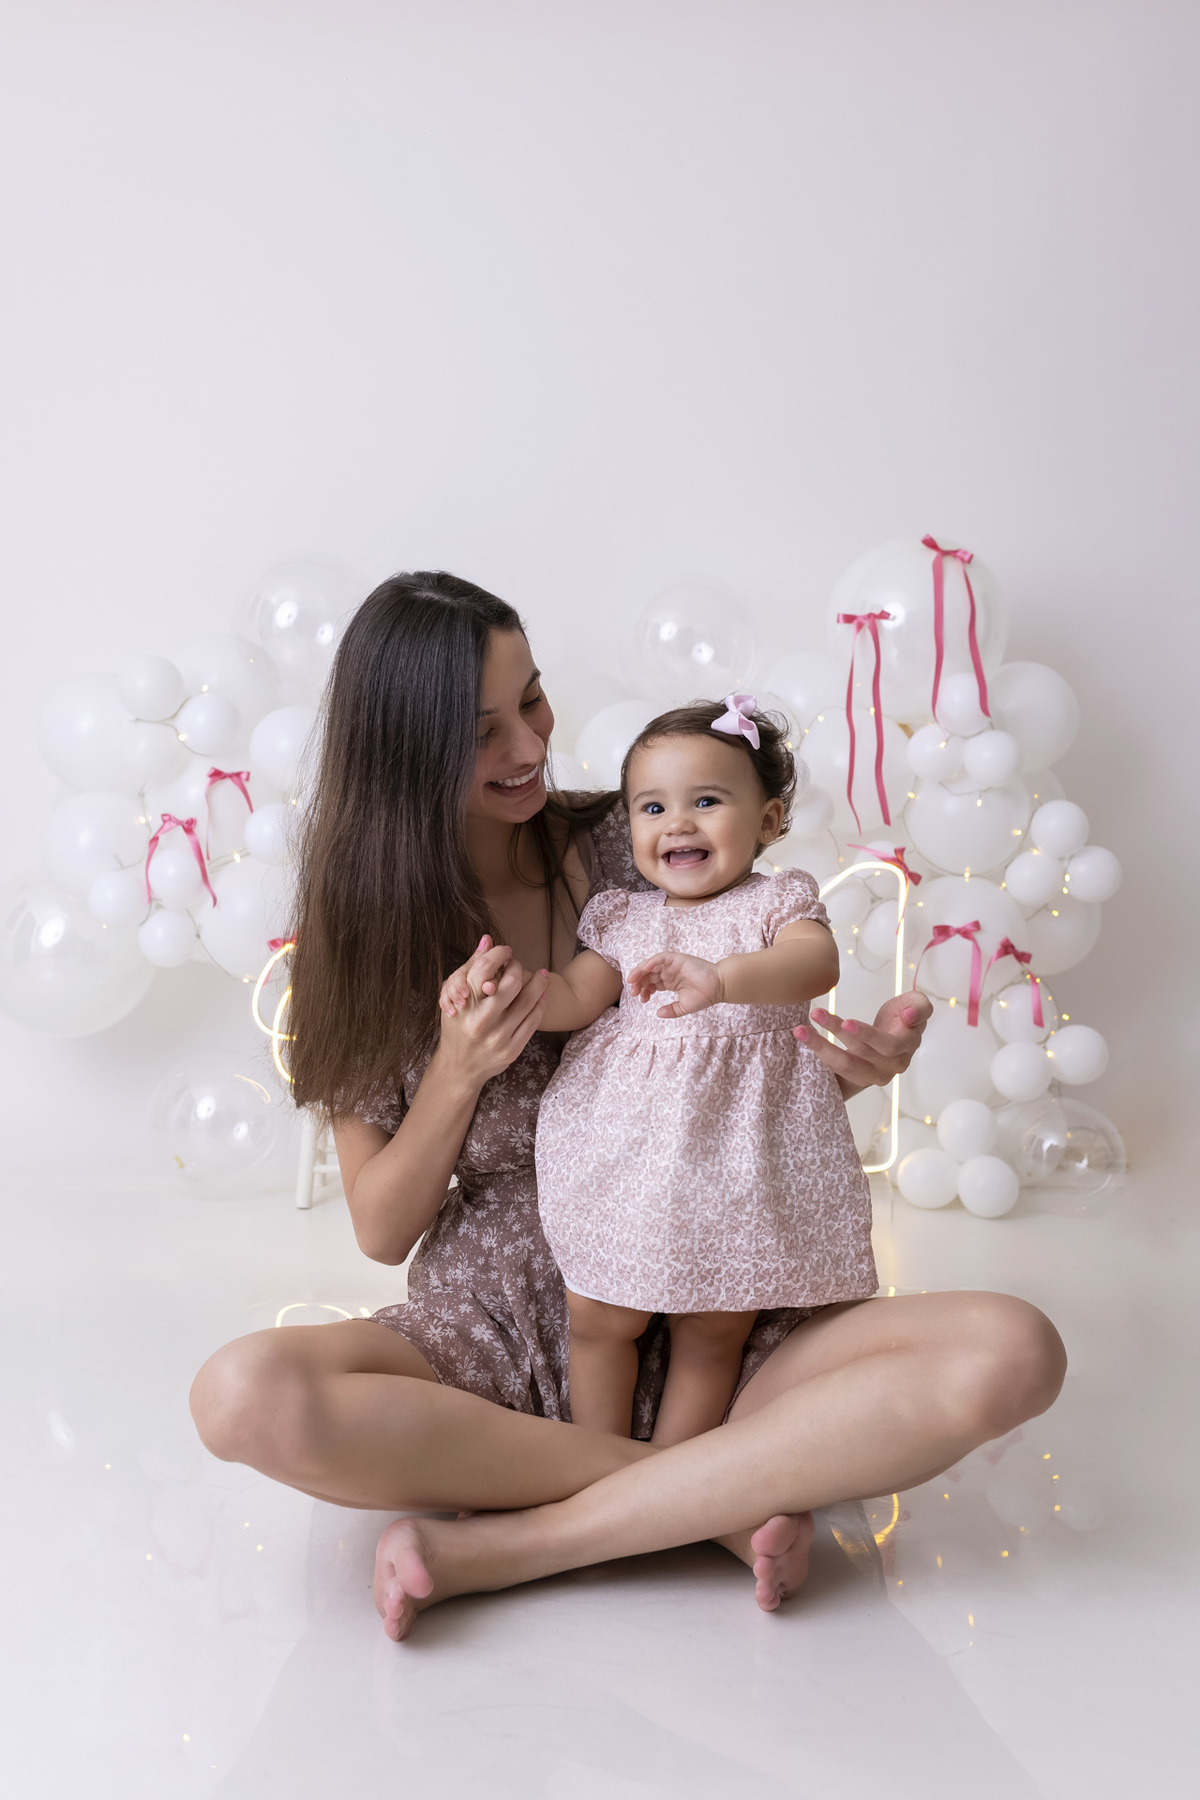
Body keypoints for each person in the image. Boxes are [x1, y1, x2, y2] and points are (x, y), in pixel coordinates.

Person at [188, 571, 1066, 1645]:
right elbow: (380, 1229)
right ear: (404, 754)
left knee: (1014, 1350)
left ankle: (523, 1540)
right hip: (498, 1338)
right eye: (481, 732)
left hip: (721, 1297)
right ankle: (704, 1500)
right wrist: (463, 1068)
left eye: (534, 700)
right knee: (241, 1397)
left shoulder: (636, 835)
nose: (527, 748)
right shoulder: (358, 941)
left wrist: (844, 1069)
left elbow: (737, 1035)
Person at [443, 694, 875, 1447]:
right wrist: (505, 989)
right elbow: (578, 995)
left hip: (738, 1161)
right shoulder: (627, 917)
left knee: (716, 1328)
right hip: (632, 1162)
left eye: (706, 801)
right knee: (601, 1317)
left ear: (768, 822)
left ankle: (674, 1479)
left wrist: (726, 978)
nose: (678, 822)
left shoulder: (779, 902)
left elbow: (816, 963)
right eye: (652, 807)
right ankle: (601, 1464)